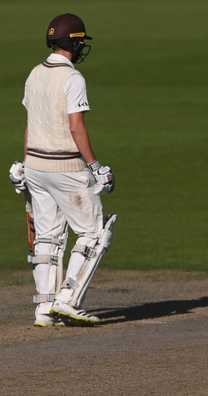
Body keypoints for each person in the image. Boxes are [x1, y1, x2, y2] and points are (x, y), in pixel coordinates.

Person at [8, 13, 117, 327]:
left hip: (37, 166)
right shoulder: (72, 78)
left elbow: (32, 124)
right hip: (66, 167)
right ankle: (67, 300)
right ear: (73, 43)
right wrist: (96, 167)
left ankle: (44, 309)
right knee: (94, 234)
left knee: (49, 237)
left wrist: (26, 164)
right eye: (80, 41)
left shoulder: (34, 74)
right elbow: (76, 126)